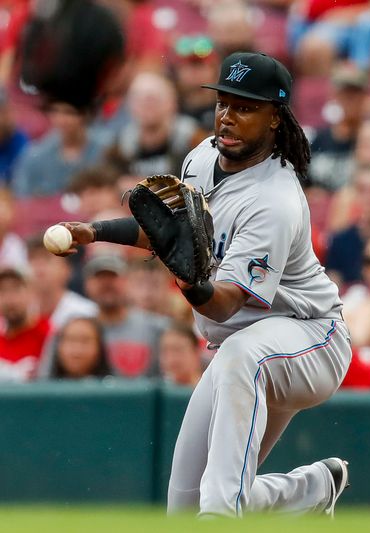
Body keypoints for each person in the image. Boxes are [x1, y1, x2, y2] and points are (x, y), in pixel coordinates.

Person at [56, 52, 351, 517]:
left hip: (309, 340)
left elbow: (224, 305)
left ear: (275, 118)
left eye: (246, 107)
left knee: (240, 366)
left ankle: (220, 520)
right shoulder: (203, 155)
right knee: (183, 507)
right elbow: (169, 230)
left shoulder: (274, 201)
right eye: (224, 103)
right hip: (245, 351)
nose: (228, 116)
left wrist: (188, 281)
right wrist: (95, 232)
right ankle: (309, 490)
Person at [106, 71, 206, 177]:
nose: (146, 106)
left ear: (172, 103)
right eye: (139, 100)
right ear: (129, 106)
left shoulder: (193, 139)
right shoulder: (120, 146)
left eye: (153, 99)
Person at [11, 101, 110, 199]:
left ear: (84, 113)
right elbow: (22, 197)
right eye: (56, 112)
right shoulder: (35, 155)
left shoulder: (105, 149)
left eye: (69, 112)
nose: (62, 120)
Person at [307, 64, 370, 192]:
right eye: (345, 93)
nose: (350, 99)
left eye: (355, 93)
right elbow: (304, 183)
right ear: (336, 96)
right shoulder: (319, 139)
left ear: (365, 97)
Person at [26, 237, 97, 330]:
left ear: (67, 269)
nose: (39, 266)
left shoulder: (86, 313)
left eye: (46, 258)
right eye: (32, 258)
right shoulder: (14, 312)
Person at [0, 267, 50, 382]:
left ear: (31, 293)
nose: (10, 299)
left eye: (16, 289)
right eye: (2, 291)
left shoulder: (48, 334)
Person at [159, 321, 205, 388]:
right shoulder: (156, 392)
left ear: (196, 352)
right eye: (165, 351)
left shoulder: (213, 388)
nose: (171, 359)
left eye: (177, 350)